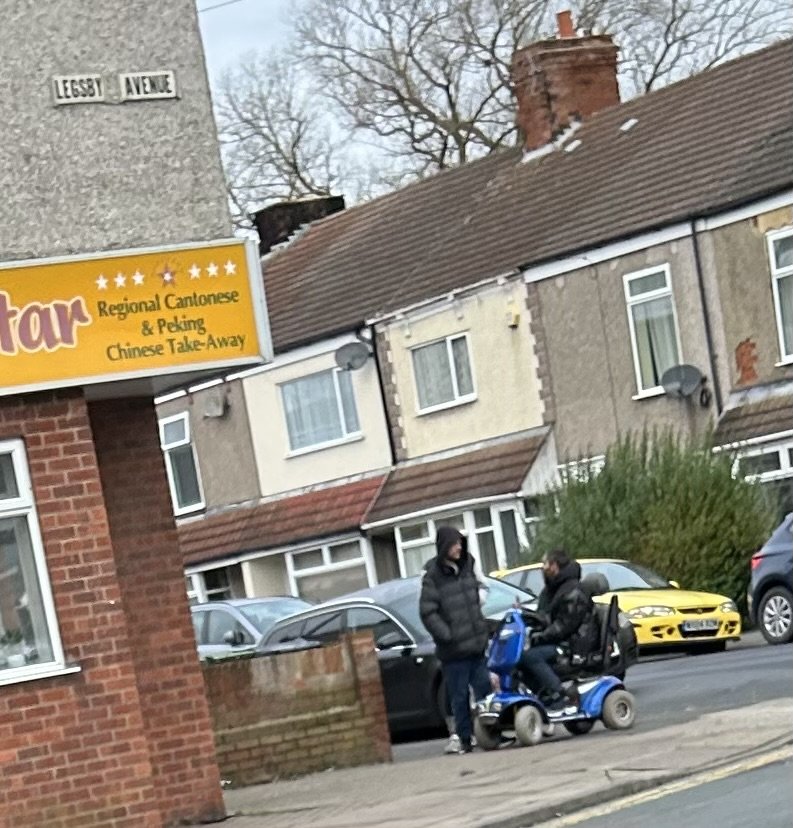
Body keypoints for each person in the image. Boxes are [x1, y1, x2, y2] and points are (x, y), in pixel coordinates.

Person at [420, 526, 492, 754]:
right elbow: (427, 612)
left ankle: (490, 733)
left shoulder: (469, 564)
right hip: (454, 650)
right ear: (444, 546)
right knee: (459, 697)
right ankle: (465, 738)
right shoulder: (432, 575)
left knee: (485, 691)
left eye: (460, 543)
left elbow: (482, 588)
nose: (459, 547)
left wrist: (478, 604)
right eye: (454, 544)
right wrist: (446, 635)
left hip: (476, 643)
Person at [519, 548, 598, 713]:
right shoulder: (550, 590)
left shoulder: (573, 590)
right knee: (518, 658)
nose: (543, 568)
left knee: (530, 656)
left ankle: (559, 694)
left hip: (572, 644)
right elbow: (545, 617)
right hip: (557, 641)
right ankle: (541, 695)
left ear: (554, 566)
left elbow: (564, 626)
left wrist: (538, 637)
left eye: (545, 564)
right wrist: (526, 618)